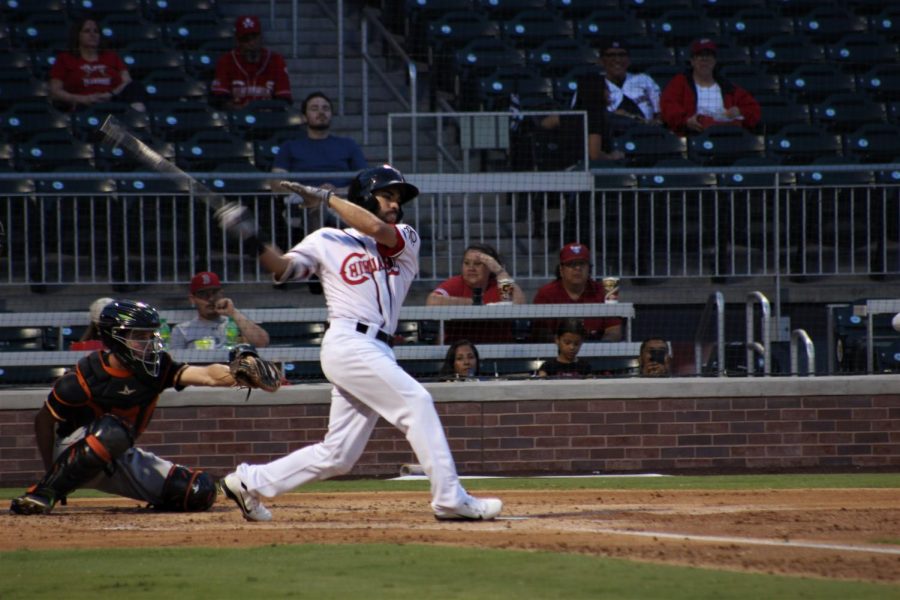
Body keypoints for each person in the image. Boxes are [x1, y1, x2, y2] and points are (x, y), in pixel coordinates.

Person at [214, 164, 503, 522]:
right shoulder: (325, 240)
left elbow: (377, 228)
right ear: (365, 196)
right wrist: (251, 237)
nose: (395, 204)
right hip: (348, 341)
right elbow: (282, 269)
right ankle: (449, 498)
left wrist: (324, 196)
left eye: (398, 198)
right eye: (387, 195)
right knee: (417, 402)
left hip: (378, 348)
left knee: (339, 455)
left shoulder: (406, 237)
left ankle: (249, 481)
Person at [9, 299, 278, 515]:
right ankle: (41, 494)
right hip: (72, 451)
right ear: (115, 338)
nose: (149, 343)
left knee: (198, 491)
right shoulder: (84, 377)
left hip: (118, 454)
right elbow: (43, 421)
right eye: (139, 336)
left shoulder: (156, 367)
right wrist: (51, 476)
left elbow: (205, 375)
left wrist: (238, 373)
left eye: (151, 335)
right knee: (113, 430)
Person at [270, 91, 368, 232]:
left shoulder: (348, 144)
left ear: (331, 115)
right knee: (318, 206)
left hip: (340, 199)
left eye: (325, 108)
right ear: (304, 117)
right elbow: (276, 184)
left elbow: (365, 180)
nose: (321, 112)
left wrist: (338, 191)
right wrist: (312, 193)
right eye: (314, 108)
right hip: (301, 201)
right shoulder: (289, 147)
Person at [426, 243, 526, 344]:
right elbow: (432, 301)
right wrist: (474, 303)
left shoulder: (499, 284)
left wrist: (499, 271)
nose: (471, 268)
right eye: (466, 263)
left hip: (498, 349)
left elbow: (518, 304)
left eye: (478, 264)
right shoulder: (456, 283)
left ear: (489, 268)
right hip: (460, 353)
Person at [660, 39, 761, 135]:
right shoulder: (680, 83)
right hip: (695, 135)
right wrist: (686, 121)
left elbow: (754, 109)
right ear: (692, 61)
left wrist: (739, 111)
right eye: (700, 55)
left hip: (726, 133)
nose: (705, 59)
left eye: (708, 55)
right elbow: (668, 106)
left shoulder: (728, 87)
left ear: (715, 61)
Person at [49, 16, 145, 112]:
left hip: (113, 103)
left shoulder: (111, 57)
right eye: (87, 31)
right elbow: (55, 91)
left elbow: (127, 81)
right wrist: (83, 99)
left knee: (136, 86)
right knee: (96, 117)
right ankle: (116, 125)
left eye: (96, 31)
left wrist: (110, 94)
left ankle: (136, 118)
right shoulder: (64, 59)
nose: (92, 34)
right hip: (85, 107)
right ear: (77, 35)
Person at [533, 243, 622, 342]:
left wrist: (599, 346)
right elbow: (540, 332)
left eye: (582, 264)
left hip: (596, 348)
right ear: (561, 270)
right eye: (572, 264)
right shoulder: (546, 293)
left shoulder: (602, 291)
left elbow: (614, 330)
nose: (578, 268)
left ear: (589, 269)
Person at [168, 271, 270, 350]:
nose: (211, 298)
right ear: (192, 299)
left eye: (215, 293)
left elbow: (262, 343)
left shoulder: (235, 324)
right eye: (204, 295)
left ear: (221, 294)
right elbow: (175, 364)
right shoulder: (182, 330)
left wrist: (233, 312)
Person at [210, 15, 292, 110]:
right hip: (236, 119)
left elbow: (284, 99)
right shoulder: (226, 61)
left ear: (261, 37)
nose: (251, 43)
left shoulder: (276, 60)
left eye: (254, 37)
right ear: (238, 41)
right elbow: (220, 99)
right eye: (246, 39)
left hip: (269, 119)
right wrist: (243, 110)